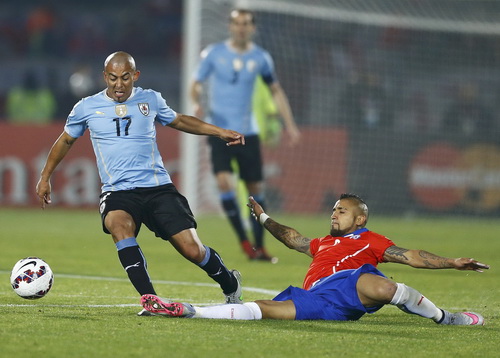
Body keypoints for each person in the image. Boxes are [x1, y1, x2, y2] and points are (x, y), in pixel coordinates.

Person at [35, 51, 245, 315]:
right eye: (112, 78)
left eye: (125, 77)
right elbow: (65, 141)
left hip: (158, 189)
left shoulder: (150, 99)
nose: (119, 84)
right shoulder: (86, 107)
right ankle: (150, 299)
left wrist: (219, 132)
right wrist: (45, 177)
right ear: (104, 77)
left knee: (192, 250)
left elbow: (178, 120)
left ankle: (230, 282)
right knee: (118, 226)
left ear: (135, 76)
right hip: (118, 192)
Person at [141, 193, 489, 325]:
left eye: (343, 211)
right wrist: (263, 218)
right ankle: (189, 310)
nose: (335, 214)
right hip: (320, 298)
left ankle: (446, 318)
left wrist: (451, 262)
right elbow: (294, 238)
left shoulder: (370, 240)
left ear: (360, 219)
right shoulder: (322, 243)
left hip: (351, 285)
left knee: (382, 286)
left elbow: (410, 255)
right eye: (334, 209)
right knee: (265, 310)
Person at [190, 8, 301, 262]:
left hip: (247, 132)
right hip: (219, 130)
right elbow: (196, 83)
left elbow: (276, 90)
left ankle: (259, 247)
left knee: (255, 190)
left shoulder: (261, 58)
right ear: (230, 26)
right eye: (237, 23)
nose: (241, 27)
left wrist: (290, 124)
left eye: (246, 23)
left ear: (253, 28)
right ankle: (244, 242)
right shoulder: (213, 53)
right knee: (224, 184)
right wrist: (196, 102)